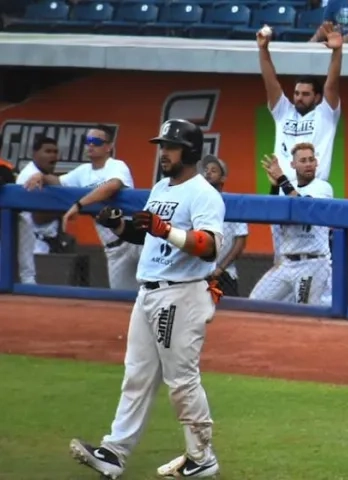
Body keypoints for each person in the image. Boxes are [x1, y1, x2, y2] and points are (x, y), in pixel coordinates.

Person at [69, 119, 226, 479]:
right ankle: (114, 451)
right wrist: (120, 227)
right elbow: (152, 238)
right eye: (162, 146)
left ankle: (202, 457)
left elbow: (210, 246)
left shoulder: (203, 194)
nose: (163, 152)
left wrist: (165, 229)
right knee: (136, 374)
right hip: (149, 291)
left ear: (189, 151)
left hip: (181, 294)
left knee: (182, 380)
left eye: (170, 146)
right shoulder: (160, 187)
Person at [258, 21, 342, 295]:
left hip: (311, 190)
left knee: (313, 253)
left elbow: (332, 83)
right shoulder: (284, 113)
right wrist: (263, 50)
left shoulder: (325, 114)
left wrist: (336, 53)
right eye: (297, 93)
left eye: (306, 94)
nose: (299, 98)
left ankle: (321, 294)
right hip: (281, 188)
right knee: (281, 254)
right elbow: (270, 82)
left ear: (317, 97)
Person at [25, 125, 142, 291]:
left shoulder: (116, 165)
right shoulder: (83, 172)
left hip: (136, 239)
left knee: (157, 290)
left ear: (109, 147)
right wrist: (41, 175)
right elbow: (59, 182)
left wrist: (79, 205)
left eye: (96, 141)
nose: (91, 145)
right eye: (88, 141)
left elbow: (112, 186)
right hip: (113, 248)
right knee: (122, 299)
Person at [249, 143, 333, 305]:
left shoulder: (323, 187)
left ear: (316, 163)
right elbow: (272, 214)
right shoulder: (284, 188)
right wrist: (274, 187)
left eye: (311, 159)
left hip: (312, 263)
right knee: (256, 301)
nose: (308, 164)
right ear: (293, 165)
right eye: (303, 160)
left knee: (306, 310)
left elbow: (303, 208)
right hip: (286, 262)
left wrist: (281, 178)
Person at [16, 136, 61, 284]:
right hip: (35, 244)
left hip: (43, 242)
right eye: (47, 151)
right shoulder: (30, 176)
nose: (53, 156)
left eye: (55, 152)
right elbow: (39, 218)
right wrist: (64, 208)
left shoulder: (42, 175)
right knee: (30, 282)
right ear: (35, 154)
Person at [203, 155, 249, 297]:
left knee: (229, 313)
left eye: (214, 170)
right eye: (206, 170)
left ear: (223, 178)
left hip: (225, 273)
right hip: (198, 272)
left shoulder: (233, 203)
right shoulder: (197, 201)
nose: (208, 173)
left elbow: (240, 242)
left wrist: (221, 268)